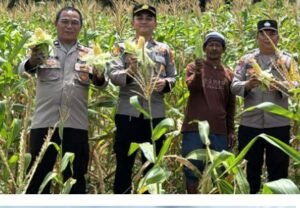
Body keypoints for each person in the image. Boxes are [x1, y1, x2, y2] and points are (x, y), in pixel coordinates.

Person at [19, 6, 107, 194]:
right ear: (56, 24)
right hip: (45, 123)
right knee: (38, 177)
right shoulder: (43, 48)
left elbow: (101, 84)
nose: (69, 26)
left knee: (75, 178)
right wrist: (33, 60)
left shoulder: (89, 54)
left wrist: (100, 74)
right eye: (65, 22)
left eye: (74, 23)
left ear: (81, 27)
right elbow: (23, 70)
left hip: (76, 124)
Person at [108, 3, 176, 194]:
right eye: (140, 18)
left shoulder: (164, 49)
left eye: (148, 18)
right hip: (127, 113)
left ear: (155, 23)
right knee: (124, 164)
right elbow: (113, 76)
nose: (144, 21)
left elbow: (173, 77)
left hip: (155, 116)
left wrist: (165, 84)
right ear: (133, 23)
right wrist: (130, 71)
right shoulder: (121, 47)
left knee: (152, 166)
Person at [232, 19, 298, 194]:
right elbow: (234, 85)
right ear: (257, 36)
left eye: (272, 33)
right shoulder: (246, 60)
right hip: (250, 124)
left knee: (278, 172)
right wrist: (248, 85)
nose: (267, 37)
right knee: (249, 170)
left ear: (278, 37)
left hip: (278, 124)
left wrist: (278, 85)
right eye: (263, 33)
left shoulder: (287, 60)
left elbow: (296, 86)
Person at [181, 31, 236, 194]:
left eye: (217, 45)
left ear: (223, 49)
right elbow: (192, 87)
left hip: (219, 131)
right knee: (191, 171)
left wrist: (231, 130)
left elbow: (230, 105)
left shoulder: (228, 74)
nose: (214, 48)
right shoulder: (193, 67)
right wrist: (198, 72)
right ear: (205, 48)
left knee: (220, 172)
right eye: (210, 45)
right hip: (194, 130)